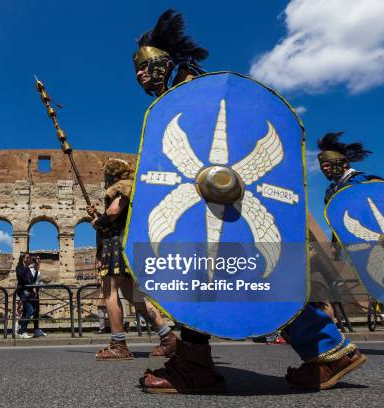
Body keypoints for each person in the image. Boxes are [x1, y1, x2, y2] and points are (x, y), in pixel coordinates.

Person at [134, 9, 366, 393]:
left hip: (226, 203)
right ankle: (328, 349)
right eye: (136, 68)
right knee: (249, 275)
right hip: (216, 206)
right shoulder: (182, 99)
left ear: (169, 61)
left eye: (146, 64)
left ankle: (196, 365)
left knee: (225, 271)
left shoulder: (196, 97)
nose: (140, 74)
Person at [86, 158, 177, 360]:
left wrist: (98, 221)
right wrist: (97, 216)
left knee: (110, 292)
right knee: (134, 296)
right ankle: (168, 337)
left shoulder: (123, 187)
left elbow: (114, 212)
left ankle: (119, 344)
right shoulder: (131, 187)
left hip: (115, 247)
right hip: (124, 245)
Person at [317, 132, 381, 204]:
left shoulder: (365, 179)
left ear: (344, 164)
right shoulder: (330, 191)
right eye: (322, 167)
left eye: (327, 165)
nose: (324, 169)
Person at [15, 253, 47, 338]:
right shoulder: (19, 268)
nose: (29, 259)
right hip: (22, 292)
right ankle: (22, 331)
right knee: (30, 310)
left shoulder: (28, 269)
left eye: (29, 257)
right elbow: (20, 276)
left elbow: (32, 280)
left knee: (28, 311)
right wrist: (27, 266)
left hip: (29, 293)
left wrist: (36, 270)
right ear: (23, 258)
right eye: (27, 257)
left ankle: (21, 329)